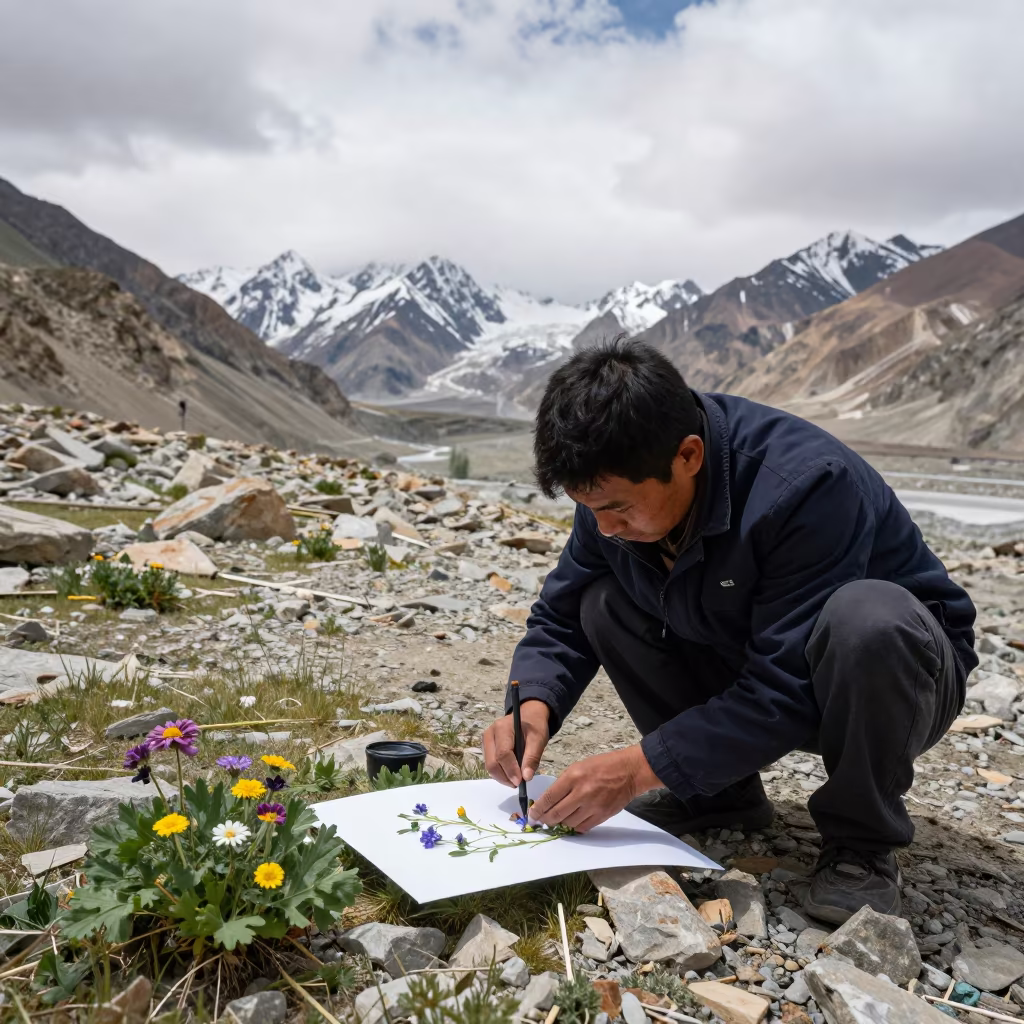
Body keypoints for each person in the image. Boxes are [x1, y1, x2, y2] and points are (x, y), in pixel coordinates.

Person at [483, 339, 977, 924]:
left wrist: (639, 767)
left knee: (867, 618)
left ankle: (862, 842)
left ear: (688, 456)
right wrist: (534, 700)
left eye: (617, 508)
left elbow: (785, 683)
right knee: (602, 598)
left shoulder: (806, 485)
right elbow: (562, 613)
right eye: (588, 507)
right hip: (747, 646)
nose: (603, 526)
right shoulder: (613, 484)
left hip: (893, 675)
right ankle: (720, 795)